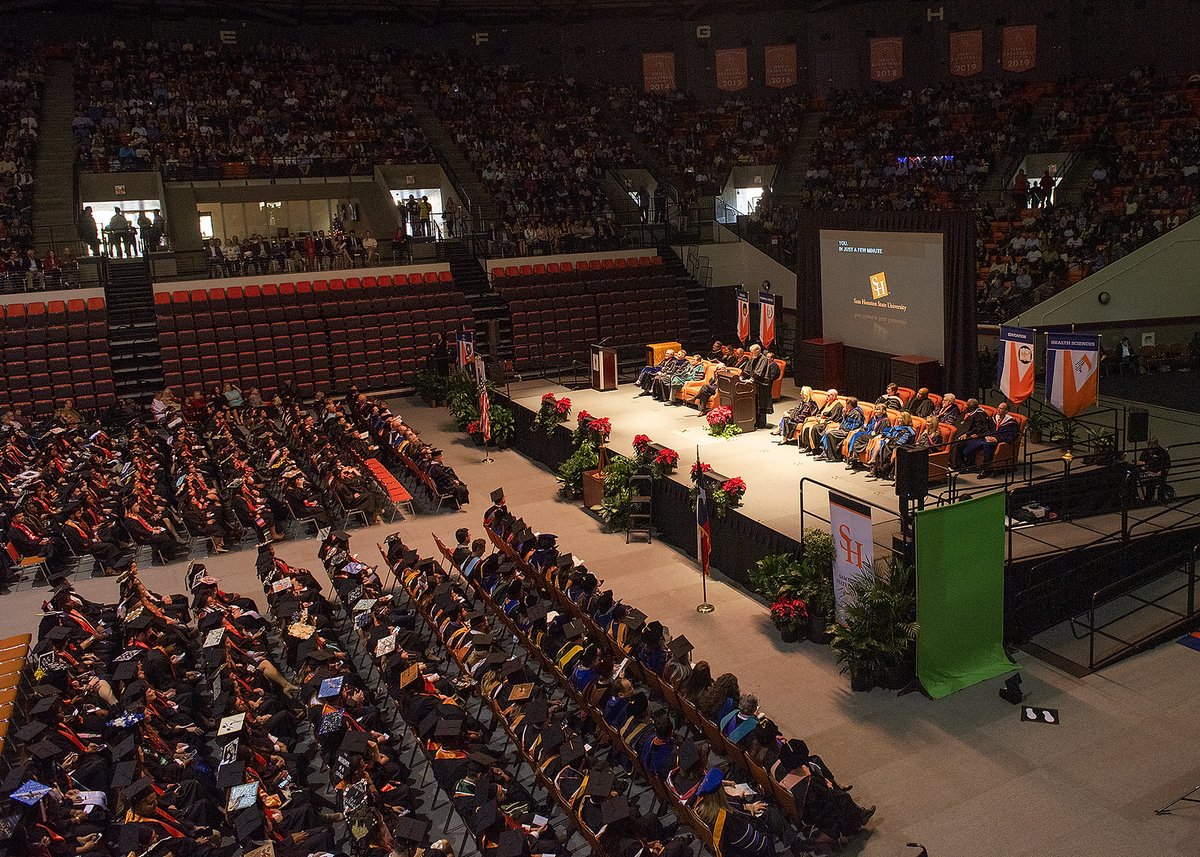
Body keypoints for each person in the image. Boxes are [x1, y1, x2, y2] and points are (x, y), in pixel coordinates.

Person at [957, 402, 1019, 477]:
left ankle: (986, 470)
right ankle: (969, 465)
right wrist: (983, 435)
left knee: (987, 445)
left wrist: (996, 439)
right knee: (969, 444)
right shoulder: (994, 419)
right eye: (998, 408)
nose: (999, 410)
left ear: (1006, 411)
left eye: (1001, 409)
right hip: (986, 438)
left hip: (998, 442)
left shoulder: (1011, 422)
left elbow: (1012, 435)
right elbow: (986, 429)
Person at [816, 397, 863, 462]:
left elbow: (855, 426)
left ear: (850, 404)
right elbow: (844, 422)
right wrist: (844, 415)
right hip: (843, 429)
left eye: (847, 404)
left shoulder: (856, 413)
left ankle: (834, 457)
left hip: (848, 432)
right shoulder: (849, 411)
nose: (845, 405)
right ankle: (826, 452)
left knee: (830, 434)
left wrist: (842, 427)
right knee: (827, 432)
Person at [948, 398, 990, 469]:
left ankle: (957, 465)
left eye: (967, 404)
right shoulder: (967, 412)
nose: (965, 406)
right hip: (961, 432)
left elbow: (978, 428)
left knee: (958, 443)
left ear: (973, 407)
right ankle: (951, 462)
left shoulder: (979, 414)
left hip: (973, 435)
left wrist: (967, 434)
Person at [1138, 438, 1171, 503]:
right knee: (1132, 478)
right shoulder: (1145, 452)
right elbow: (1140, 461)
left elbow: (1167, 466)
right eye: (1149, 445)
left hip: (1156, 474)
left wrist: (1159, 473)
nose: (1150, 448)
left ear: (1156, 445)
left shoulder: (1163, 453)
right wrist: (1142, 465)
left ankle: (1148, 500)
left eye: (1152, 446)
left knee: (1150, 482)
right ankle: (1134, 498)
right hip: (1146, 472)